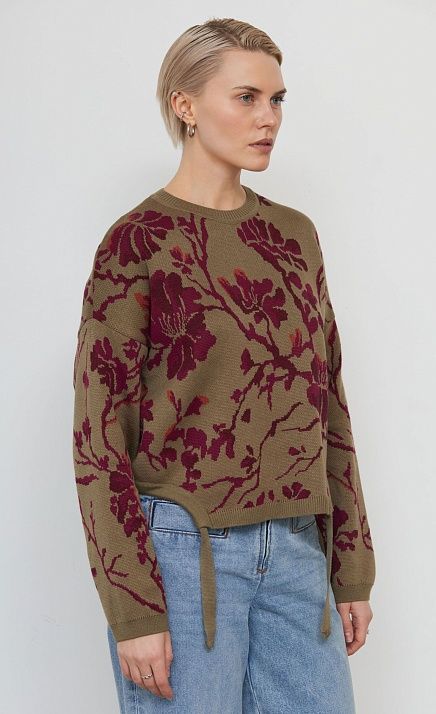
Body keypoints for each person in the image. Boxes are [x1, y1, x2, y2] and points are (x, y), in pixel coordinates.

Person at [72, 17, 375, 713]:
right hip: (184, 554)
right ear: (185, 104)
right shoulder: (137, 243)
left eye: (277, 99)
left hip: (298, 549)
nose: (269, 118)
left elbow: (327, 403)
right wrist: (133, 608)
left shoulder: (294, 236)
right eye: (247, 97)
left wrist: (351, 564)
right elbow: (98, 437)